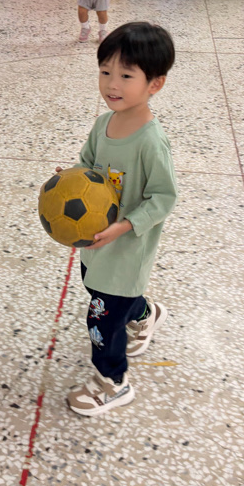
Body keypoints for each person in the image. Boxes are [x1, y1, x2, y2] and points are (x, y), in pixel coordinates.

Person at [63, 22, 177, 416]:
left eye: (126, 76)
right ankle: (145, 314)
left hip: (126, 250)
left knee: (102, 321)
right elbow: (87, 163)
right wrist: (70, 180)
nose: (112, 84)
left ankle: (112, 383)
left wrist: (125, 226)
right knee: (97, 288)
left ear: (154, 84)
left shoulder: (151, 142)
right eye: (105, 71)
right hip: (96, 242)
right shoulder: (103, 124)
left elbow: (164, 198)